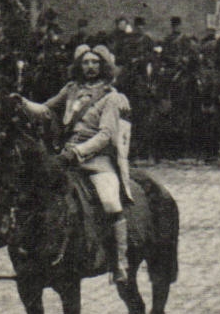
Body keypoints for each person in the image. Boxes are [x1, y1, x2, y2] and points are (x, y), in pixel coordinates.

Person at [12, 44, 134, 283]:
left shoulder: (111, 97)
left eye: (95, 63)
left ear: (103, 66)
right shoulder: (71, 90)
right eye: (86, 63)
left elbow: (106, 135)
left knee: (110, 201)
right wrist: (23, 102)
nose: (90, 67)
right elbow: (46, 110)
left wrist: (77, 152)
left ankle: (120, 262)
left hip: (96, 160)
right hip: (66, 157)